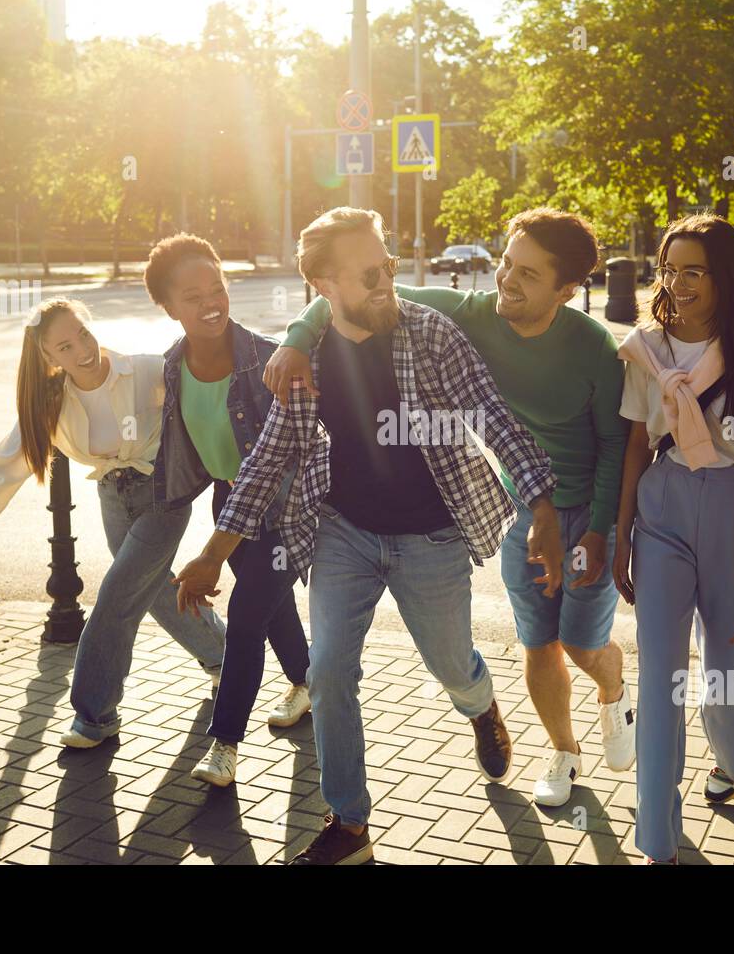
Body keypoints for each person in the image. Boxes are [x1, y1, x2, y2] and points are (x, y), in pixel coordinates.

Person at [175, 207, 565, 865]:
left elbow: (493, 418)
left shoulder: (430, 334)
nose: (388, 280)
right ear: (325, 285)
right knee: (328, 672)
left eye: (387, 265)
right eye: (369, 274)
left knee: (451, 665)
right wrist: (214, 553)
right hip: (343, 532)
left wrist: (545, 509)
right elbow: (270, 455)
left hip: (433, 538)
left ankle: (480, 704)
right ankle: (349, 824)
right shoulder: (306, 358)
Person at [265, 208, 632, 808]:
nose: (506, 282)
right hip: (520, 503)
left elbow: (615, 444)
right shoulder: (467, 316)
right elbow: (346, 289)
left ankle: (606, 693)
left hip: (586, 508)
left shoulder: (592, 345)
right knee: (539, 643)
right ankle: (562, 752)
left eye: (528, 276)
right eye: (506, 264)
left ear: (567, 291)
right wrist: (295, 339)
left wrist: (597, 528)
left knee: (576, 644)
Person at [0, 297, 226, 749]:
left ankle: (95, 715)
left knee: (115, 600)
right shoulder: (51, 401)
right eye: (65, 347)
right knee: (151, 592)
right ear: (48, 358)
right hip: (112, 498)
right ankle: (221, 655)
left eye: (83, 335)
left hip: (162, 496)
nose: (82, 350)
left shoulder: (147, 370)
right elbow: (9, 462)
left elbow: (208, 408)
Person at [613, 214, 734, 864]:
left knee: (731, 677)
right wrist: (620, 535)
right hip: (662, 509)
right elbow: (637, 444)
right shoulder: (647, 348)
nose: (678, 282)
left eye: (694, 270)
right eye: (670, 268)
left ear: (724, 275)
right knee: (659, 675)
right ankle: (658, 839)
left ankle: (732, 756)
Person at [144, 233, 311, 788]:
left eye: (217, 287)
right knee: (272, 608)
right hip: (227, 501)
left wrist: (212, 552)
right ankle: (307, 683)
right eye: (192, 296)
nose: (211, 301)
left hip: (282, 513)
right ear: (168, 308)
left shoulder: (270, 359)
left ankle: (225, 744)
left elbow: (296, 450)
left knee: (244, 619)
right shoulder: (173, 365)